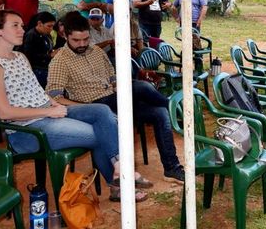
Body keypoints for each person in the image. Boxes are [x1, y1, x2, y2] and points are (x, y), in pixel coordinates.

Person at [0, 9, 150, 202]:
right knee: (103, 132)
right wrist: (49, 111)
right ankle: (119, 181)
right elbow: (4, 113)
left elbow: (39, 92)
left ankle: (119, 169)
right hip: (27, 131)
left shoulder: (20, 58)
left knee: (103, 113)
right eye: (15, 25)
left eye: (21, 25)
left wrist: (53, 104)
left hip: (49, 115)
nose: (22, 29)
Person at [46, 12, 185, 183]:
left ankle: (172, 168)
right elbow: (55, 97)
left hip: (115, 99)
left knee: (160, 112)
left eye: (85, 39)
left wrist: (120, 88)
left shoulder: (96, 51)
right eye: (76, 40)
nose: (82, 44)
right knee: (141, 86)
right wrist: (82, 107)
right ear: (65, 35)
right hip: (95, 106)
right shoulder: (60, 61)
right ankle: (180, 110)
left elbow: (113, 77)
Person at [22, 11, 57, 87]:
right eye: (49, 26)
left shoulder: (46, 35)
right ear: (40, 24)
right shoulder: (31, 35)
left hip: (45, 67)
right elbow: (29, 56)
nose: (51, 29)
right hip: (36, 69)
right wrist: (50, 55)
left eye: (52, 26)